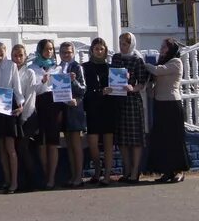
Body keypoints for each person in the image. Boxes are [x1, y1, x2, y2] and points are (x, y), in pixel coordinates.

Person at [144, 37, 190, 183]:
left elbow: (158, 71)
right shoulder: (162, 62)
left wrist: (142, 63)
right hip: (160, 104)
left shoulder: (176, 62)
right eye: (161, 47)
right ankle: (167, 171)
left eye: (164, 47)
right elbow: (155, 81)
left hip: (172, 105)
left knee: (174, 139)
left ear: (171, 50)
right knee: (163, 139)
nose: (161, 50)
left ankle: (179, 171)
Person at [114, 32, 150, 184]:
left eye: (125, 44)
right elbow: (112, 76)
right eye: (121, 43)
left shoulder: (137, 60)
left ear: (131, 44)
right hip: (118, 101)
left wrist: (132, 87)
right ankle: (127, 169)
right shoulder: (116, 58)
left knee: (135, 138)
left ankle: (135, 171)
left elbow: (142, 83)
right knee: (122, 139)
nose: (122, 47)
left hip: (132, 102)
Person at [0, 40, 24, 194]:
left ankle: (15, 181)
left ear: (5, 53)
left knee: (10, 147)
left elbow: (16, 86)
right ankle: (7, 179)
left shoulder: (11, 66)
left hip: (8, 104)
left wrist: (21, 103)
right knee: (1, 147)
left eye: (1, 54)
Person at [29, 39, 63, 189]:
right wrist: (42, 81)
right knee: (41, 144)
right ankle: (44, 174)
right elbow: (32, 90)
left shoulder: (58, 68)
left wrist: (70, 81)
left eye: (51, 49)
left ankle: (52, 178)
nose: (49, 52)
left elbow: (63, 89)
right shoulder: (33, 68)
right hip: (40, 105)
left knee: (53, 144)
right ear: (40, 50)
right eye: (46, 49)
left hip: (54, 106)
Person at [81, 37, 113, 184]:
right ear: (92, 50)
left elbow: (117, 86)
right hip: (92, 107)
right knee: (92, 142)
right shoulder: (86, 67)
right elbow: (84, 88)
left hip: (107, 108)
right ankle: (97, 171)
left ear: (105, 50)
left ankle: (107, 175)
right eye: (96, 49)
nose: (99, 51)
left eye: (101, 49)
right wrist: (99, 91)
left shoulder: (110, 68)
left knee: (107, 143)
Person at [57, 41, 87, 188]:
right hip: (62, 108)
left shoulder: (77, 67)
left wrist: (74, 81)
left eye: (69, 52)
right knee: (68, 144)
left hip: (74, 109)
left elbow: (83, 89)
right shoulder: (57, 68)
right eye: (63, 52)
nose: (66, 55)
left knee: (76, 144)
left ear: (73, 53)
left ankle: (79, 176)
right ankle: (72, 174)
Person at [13, 43, 41, 191]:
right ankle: (21, 181)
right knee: (18, 149)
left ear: (25, 57)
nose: (17, 58)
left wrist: (23, 117)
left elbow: (30, 97)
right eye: (15, 55)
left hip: (28, 116)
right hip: (14, 116)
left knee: (24, 148)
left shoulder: (29, 73)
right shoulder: (10, 72)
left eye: (20, 55)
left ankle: (33, 181)